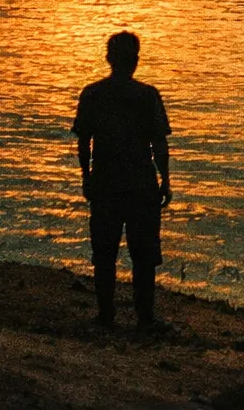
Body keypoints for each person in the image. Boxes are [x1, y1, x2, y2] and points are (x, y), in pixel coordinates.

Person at [72, 30, 171, 327]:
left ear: (109, 59)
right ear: (136, 61)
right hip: (141, 184)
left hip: (105, 182)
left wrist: (86, 176)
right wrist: (165, 180)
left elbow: (83, 142)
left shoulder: (92, 94)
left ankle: (106, 314)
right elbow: (159, 144)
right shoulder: (147, 96)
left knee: (104, 253)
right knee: (143, 256)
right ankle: (145, 317)